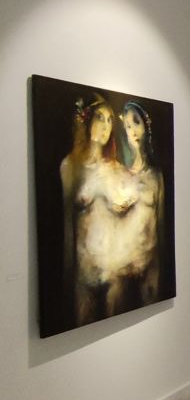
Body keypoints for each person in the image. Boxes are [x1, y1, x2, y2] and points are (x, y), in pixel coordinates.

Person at [59, 94, 134, 325]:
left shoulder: (117, 170)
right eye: (100, 118)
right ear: (87, 120)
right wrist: (68, 268)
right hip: (84, 268)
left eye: (110, 121)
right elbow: (67, 223)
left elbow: (128, 215)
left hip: (113, 267)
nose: (105, 126)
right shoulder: (71, 166)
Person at [105, 101, 164, 314]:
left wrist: (156, 270)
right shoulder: (121, 175)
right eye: (128, 126)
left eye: (136, 123)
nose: (133, 131)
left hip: (148, 266)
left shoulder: (156, 175)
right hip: (122, 268)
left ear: (145, 126)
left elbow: (161, 228)